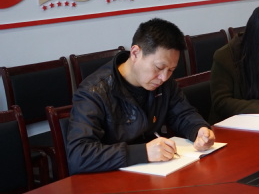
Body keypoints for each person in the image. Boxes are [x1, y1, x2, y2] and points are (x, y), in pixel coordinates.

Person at [66, 18, 215, 174]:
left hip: (155, 172)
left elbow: (182, 114)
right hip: (111, 178)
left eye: (171, 70)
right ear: (135, 53)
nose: (164, 77)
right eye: (159, 67)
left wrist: (199, 130)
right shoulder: (95, 91)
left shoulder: (163, 82)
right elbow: (79, 155)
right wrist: (143, 152)